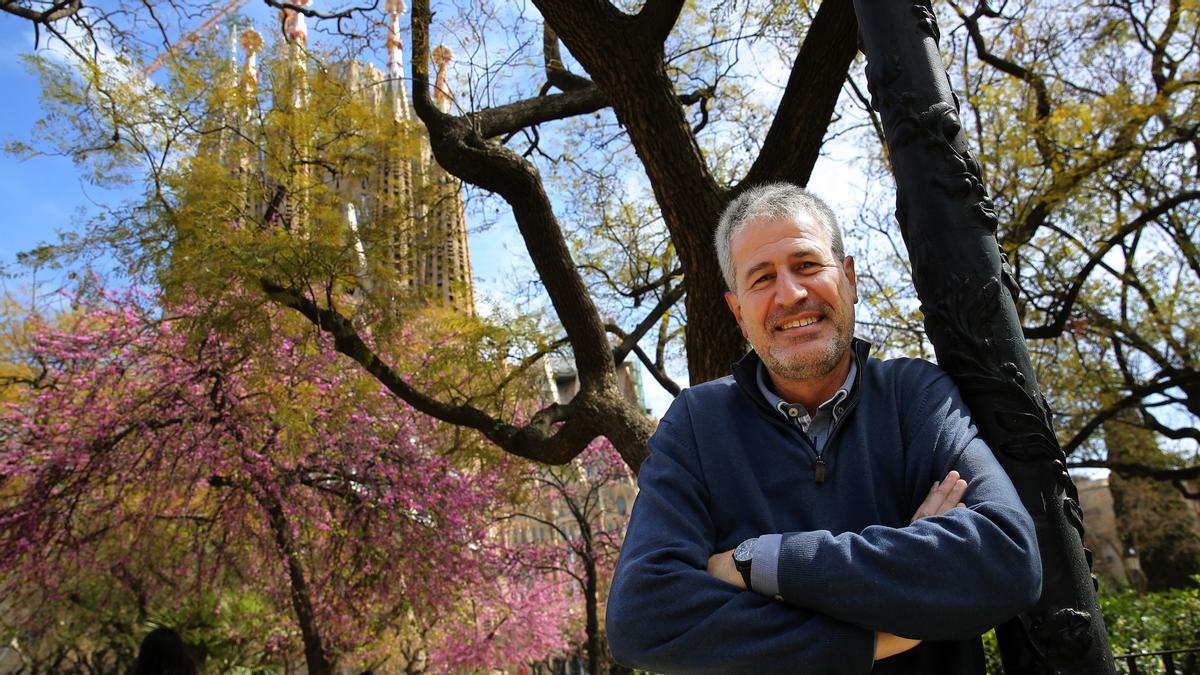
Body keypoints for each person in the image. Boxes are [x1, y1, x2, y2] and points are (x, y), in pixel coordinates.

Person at [605, 183, 1042, 674]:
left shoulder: (915, 396)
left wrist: (760, 563)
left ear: (849, 278)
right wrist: (881, 631)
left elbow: (1007, 558)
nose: (790, 294)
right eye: (762, 278)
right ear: (738, 313)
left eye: (807, 266)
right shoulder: (695, 423)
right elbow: (643, 618)